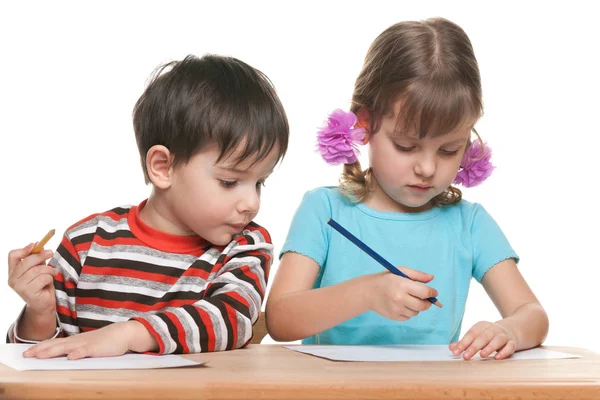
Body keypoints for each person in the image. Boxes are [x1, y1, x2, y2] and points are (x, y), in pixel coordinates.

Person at [266, 18, 548, 360]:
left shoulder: (469, 225)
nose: (427, 168)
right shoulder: (325, 211)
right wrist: (367, 292)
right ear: (364, 124)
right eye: (405, 146)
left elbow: (532, 315)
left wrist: (508, 331)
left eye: (448, 150)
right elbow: (279, 320)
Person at [7, 54, 289, 358]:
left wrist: (130, 334)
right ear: (163, 167)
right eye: (230, 182)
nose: (252, 203)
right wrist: (39, 313)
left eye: (260, 182)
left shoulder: (245, 246)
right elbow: (39, 360)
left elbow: (231, 320)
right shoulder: (86, 244)